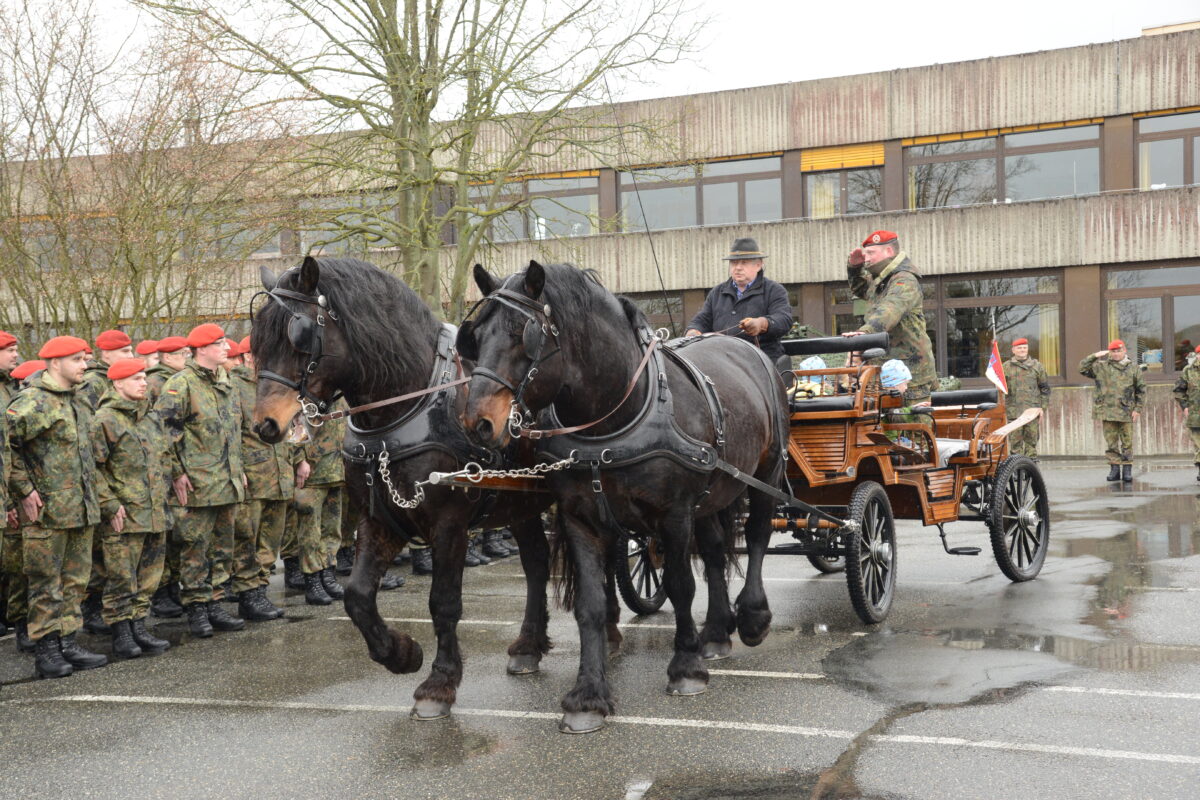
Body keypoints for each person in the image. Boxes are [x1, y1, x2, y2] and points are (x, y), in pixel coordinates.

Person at [7, 336, 106, 678]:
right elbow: (8, 447)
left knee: (76, 580)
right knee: (45, 582)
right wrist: (22, 490)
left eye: (84, 359)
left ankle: (67, 640)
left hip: (80, 507)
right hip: (47, 510)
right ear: (54, 363)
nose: (84, 365)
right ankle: (46, 649)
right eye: (77, 360)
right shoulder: (33, 402)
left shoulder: (79, 400)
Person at [155, 323, 246, 637]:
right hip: (197, 483)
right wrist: (177, 473)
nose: (226, 348)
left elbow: (234, 433)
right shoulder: (180, 384)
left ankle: (215, 602)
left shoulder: (226, 381)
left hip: (227, 480)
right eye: (220, 343)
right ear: (202, 348)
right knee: (195, 547)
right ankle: (196, 608)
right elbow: (163, 435)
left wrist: (239, 469)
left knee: (222, 548)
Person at [91, 358, 172, 659]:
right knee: (122, 577)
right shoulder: (104, 420)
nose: (143, 383)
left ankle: (139, 625)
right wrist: (110, 504)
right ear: (117, 383)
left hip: (153, 511)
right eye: (136, 378)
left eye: (143, 378)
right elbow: (93, 468)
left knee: (150, 575)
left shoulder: (149, 418)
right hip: (124, 514)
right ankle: (121, 631)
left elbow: (163, 458)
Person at [230, 336, 300, 621]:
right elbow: (230, 435)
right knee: (248, 538)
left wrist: (298, 462)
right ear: (247, 357)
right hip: (253, 475)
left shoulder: (278, 387)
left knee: (271, 540)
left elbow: (291, 427)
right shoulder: (235, 387)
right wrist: (237, 471)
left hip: (280, 474)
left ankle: (260, 590)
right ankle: (248, 595)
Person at [842, 230, 937, 404]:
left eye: (871, 253)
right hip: (887, 370)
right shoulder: (881, 280)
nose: (867, 258)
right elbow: (862, 289)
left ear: (888, 252)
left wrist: (866, 333)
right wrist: (855, 268)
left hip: (911, 373)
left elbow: (891, 309)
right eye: (865, 254)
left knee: (912, 425)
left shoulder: (904, 280)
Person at [685, 236, 793, 362]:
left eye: (744, 263)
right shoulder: (717, 293)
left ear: (758, 265)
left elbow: (784, 320)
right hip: (722, 360)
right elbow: (701, 321)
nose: (738, 267)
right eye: (734, 263)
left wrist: (762, 323)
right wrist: (693, 332)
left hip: (762, 361)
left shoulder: (774, 290)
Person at [295, 403, 347, 605]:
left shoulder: (340, 395)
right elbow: (295, 426)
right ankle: (312, 579)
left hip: (336, 468)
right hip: (313, 470)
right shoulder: (308, 392)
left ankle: (328, 573)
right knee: (310, 530)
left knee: (332, 528)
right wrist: (300, 459)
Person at [1080, 339, 1146, 483]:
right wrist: (1095, 356)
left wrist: (1138, 409)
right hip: (1107, 410)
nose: (1116, 354)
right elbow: (1082, 368)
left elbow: (1141, 390)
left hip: (1126, 410)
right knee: (1111, 442)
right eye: (1113, 351)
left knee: (1127, 441)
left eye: (1118, 351)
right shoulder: (1101, 367)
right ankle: (1114, 468)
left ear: (1124, 351)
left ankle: (1127, 468)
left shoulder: (1133, 368)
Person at [1003, 338, 1051, 460]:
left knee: (1031, 443)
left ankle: (1031, 468)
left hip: (1032, 411)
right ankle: (1016, 470)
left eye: (1024, 347)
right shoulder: (1006, 367)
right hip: (1014, 411)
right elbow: (999, 388)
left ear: (1027, 349)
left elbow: (1044, 389)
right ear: (1013, 350)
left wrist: (1042, 408)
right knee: (1015, 444)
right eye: (1019, 348)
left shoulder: (1037, 366)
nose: (1022, 350)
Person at [1173, 344, 1200, 481]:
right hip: (1195, 415)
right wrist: (1184, 406)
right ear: (1197, 355)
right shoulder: (1188, 371)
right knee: (1199, 445)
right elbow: (1178, 390)